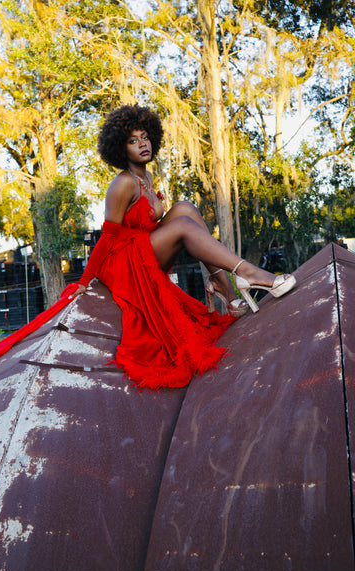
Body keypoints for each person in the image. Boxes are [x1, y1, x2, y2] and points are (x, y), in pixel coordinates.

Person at [70, 104, 296, 390]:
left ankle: (226, 292)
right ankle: (249, 273)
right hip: (122, 264)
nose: (142, 144)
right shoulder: (122, 184)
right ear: (120, 148)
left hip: (143, 250)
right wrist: (84, 279)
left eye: (145, 137)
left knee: (185, 209)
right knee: (182, 226)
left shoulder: (147, 178)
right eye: (132, 140)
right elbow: (107, 237)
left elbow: (152, 223)